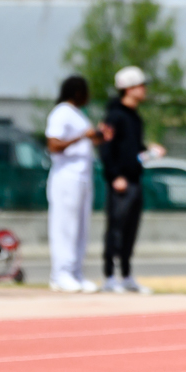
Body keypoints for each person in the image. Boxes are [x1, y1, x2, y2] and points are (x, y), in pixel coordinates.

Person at [99, 66, 164, 294]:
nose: (144, 89)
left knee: (130, 230)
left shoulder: (135, 117)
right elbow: (106, 149)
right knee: (115, 228)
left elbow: (133, 150)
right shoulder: (114, 115)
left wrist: (149, 151)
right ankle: (109, 276)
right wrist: (115, 175)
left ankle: (126, 275)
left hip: (135, 179)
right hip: (120, 182)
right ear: (128, 88)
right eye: (140, 85)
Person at [45, 76, 105, 293]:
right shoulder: (61, 112)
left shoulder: (79, 114)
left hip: (82, 177)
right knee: (65, 227)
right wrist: (81, 136)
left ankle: (76, 272)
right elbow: (53, 144)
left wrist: (97, 135)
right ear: (77, 92)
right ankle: (60, 274)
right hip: (65, 177)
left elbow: (91, 138)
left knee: (81, 227)